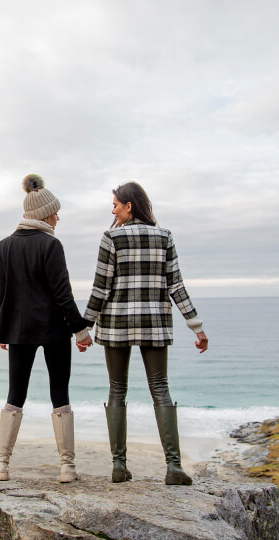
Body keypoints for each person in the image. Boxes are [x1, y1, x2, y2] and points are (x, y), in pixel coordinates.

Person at [79, 181, 208, 485]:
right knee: (160, 388)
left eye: (115, 204)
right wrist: (196, 326)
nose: (112, 210)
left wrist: (85, 327)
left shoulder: (111, 237)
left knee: (117, 390)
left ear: (129, 206)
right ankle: (174, 468)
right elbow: (176, 286)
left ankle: (119, 466)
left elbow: (101, 287)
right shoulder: (164, 236)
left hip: (115, 324)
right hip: (154, 323)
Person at [0, 174, 91, 483]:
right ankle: (67, 468)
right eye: (55, 212)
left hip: (18, 331)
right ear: (44, 213)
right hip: (54, 331)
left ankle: (1, 465)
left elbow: (1, 293)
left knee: (15, 394)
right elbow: (63, 294)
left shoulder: (2, 246)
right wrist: (81, 331)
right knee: (59, 393)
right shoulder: (51, 245)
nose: (58, 217)